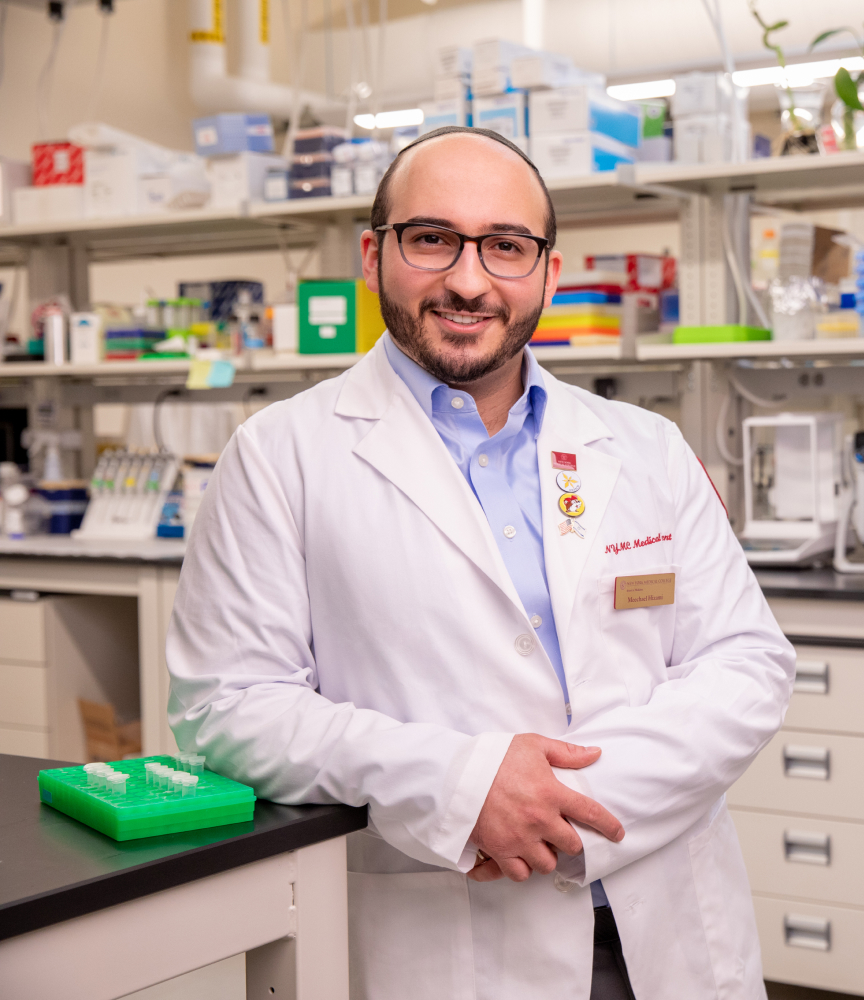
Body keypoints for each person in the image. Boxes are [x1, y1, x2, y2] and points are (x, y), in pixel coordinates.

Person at [167, 126, 795, 1000]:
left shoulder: (644, 445)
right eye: (432, 239)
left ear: (547, 269)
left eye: (505, 246)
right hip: (443, 940)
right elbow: (228, 708)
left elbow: (748, 663)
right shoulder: (280, 456)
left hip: (666, 924)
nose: (468, 280)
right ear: (373, 254)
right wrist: (459, 786)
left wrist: (562, 808)